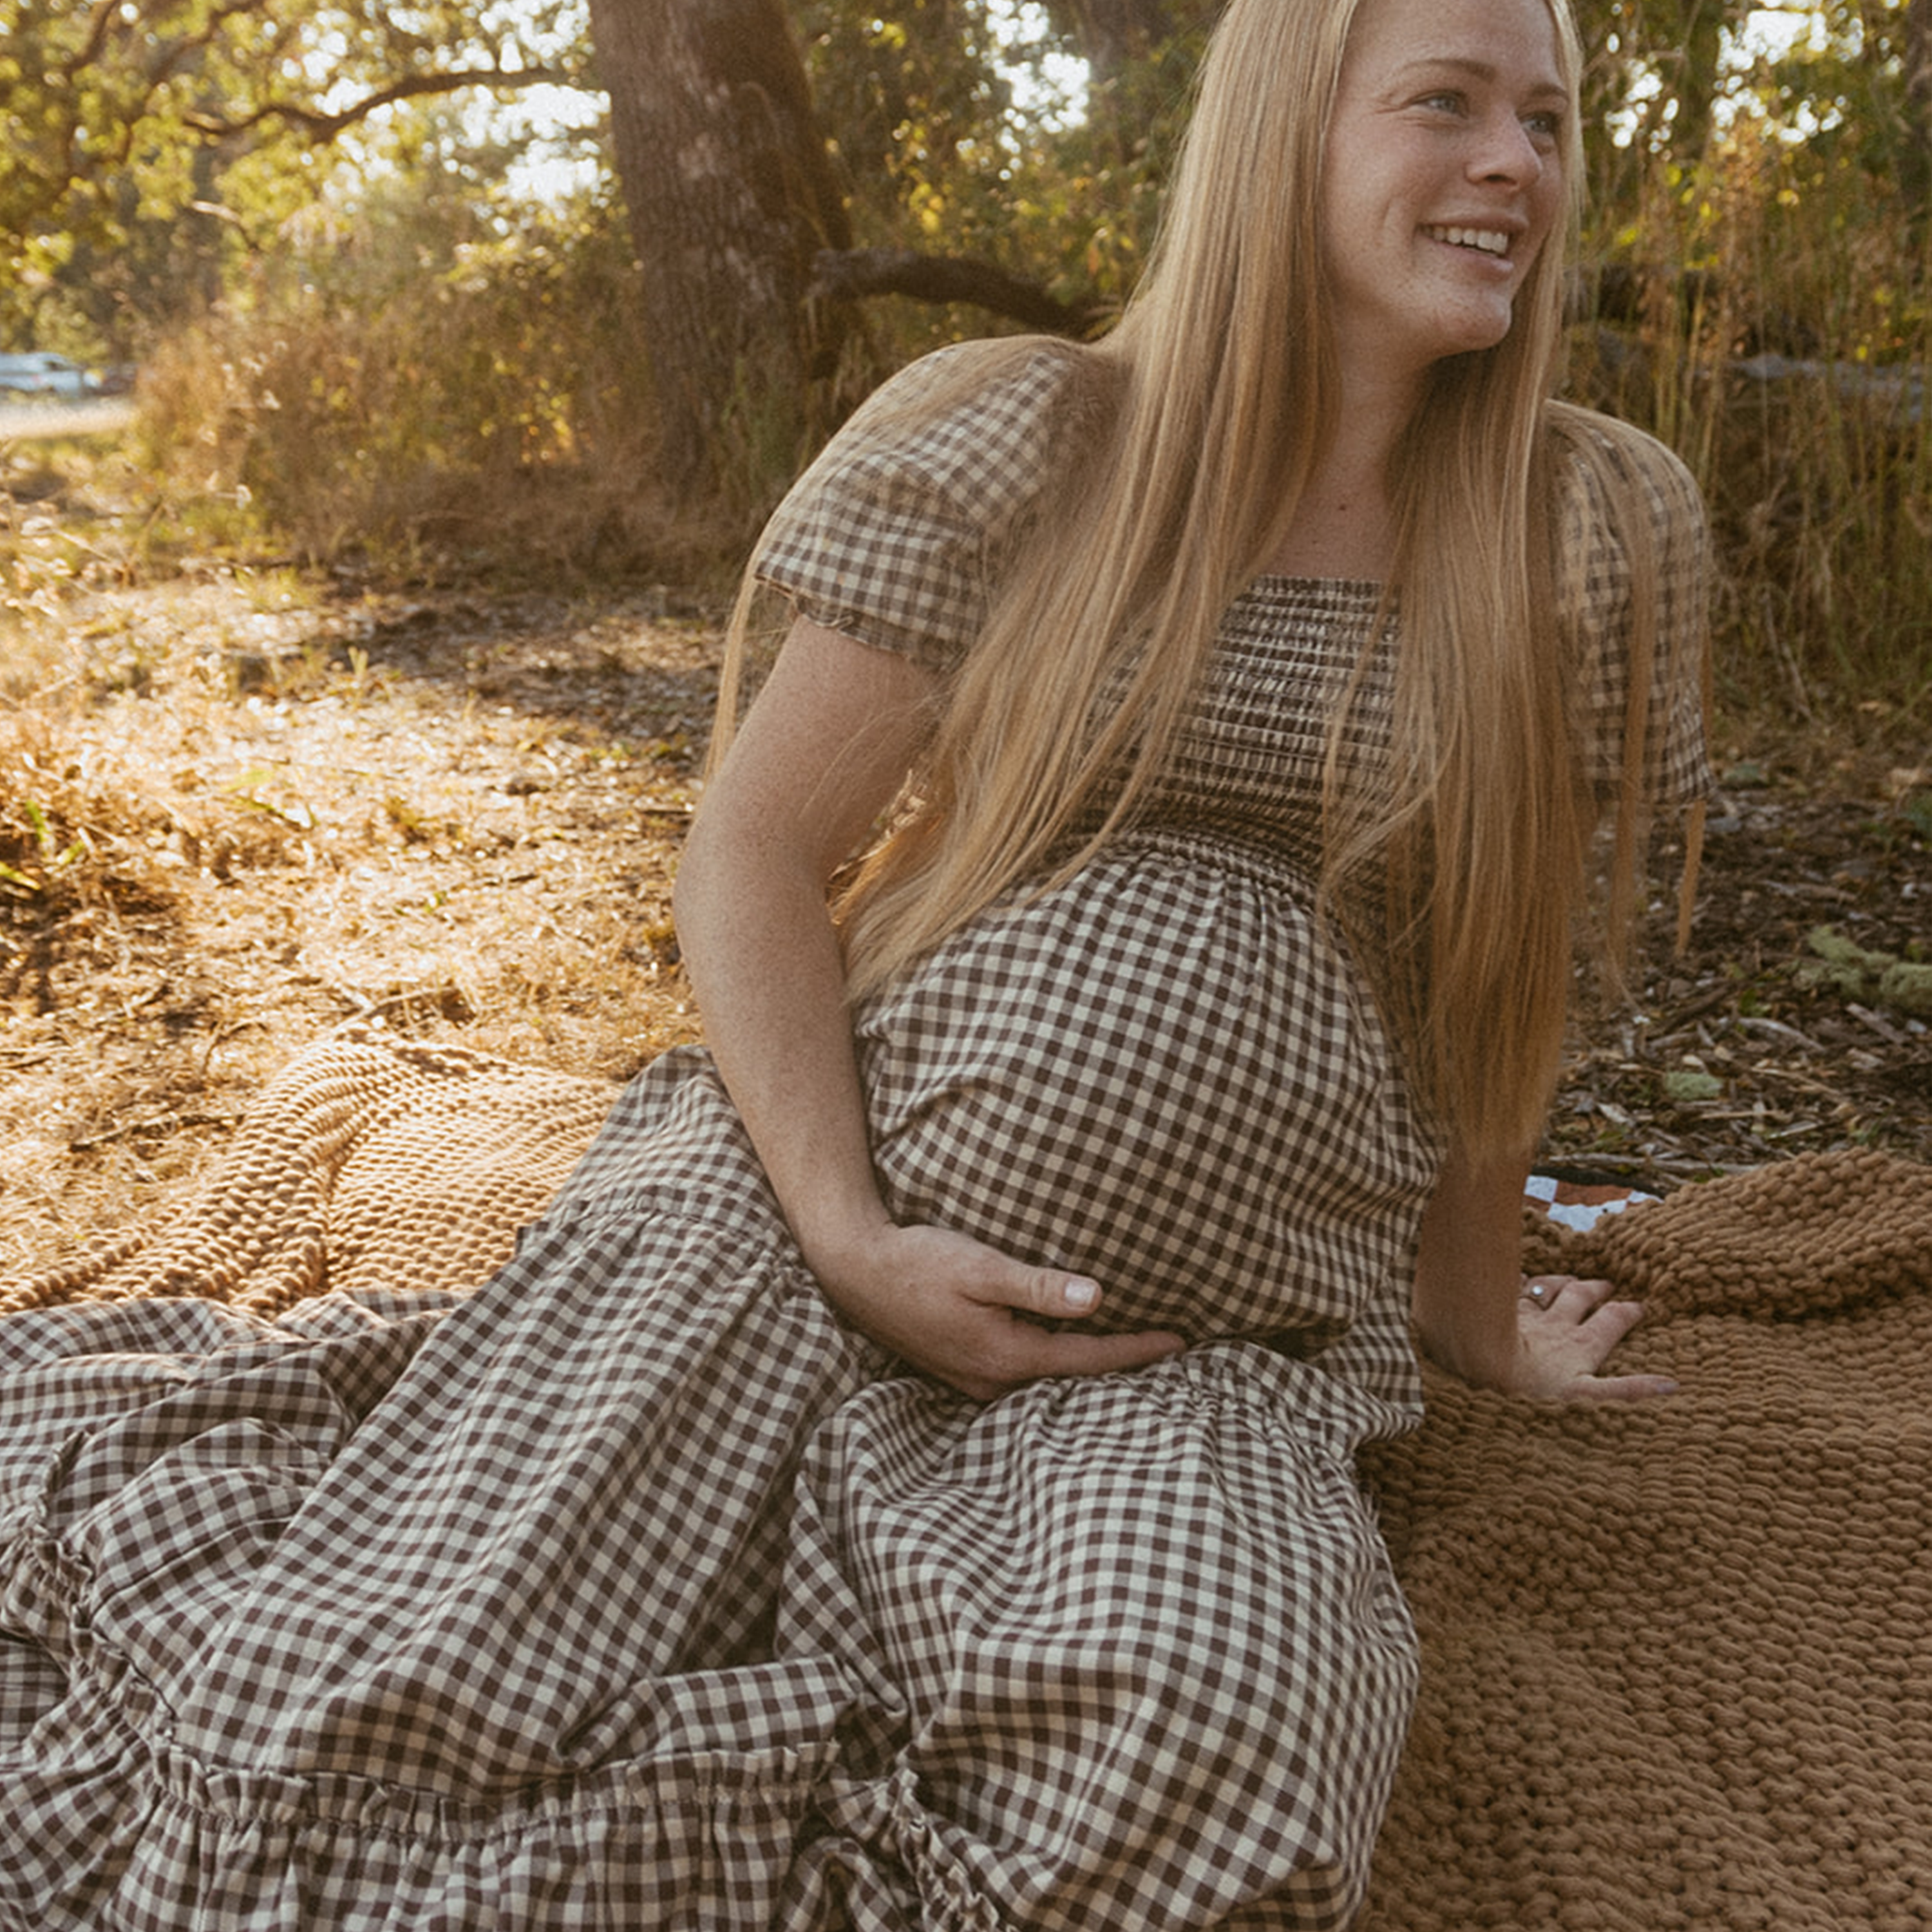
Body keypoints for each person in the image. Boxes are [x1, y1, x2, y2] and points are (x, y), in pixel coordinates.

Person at [0, 0, 1709, 1922]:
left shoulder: (1586, 526)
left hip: (1196, 1352)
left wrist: (1475, 1327)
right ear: (1280, 141)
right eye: (1449, 105)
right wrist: (845, 1231)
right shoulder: (1033, 444)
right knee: (371, 1708)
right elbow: (752, 848)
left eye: (1549, 121)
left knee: (1214, 1772)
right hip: (796, 1219)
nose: (1516, 164)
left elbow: (1500, 977)